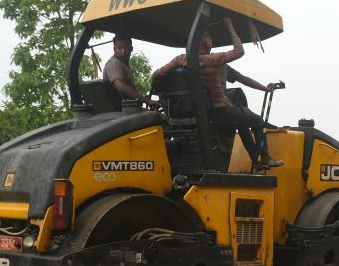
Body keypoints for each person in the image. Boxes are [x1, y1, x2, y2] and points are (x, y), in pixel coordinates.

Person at [153, 18, 282, 169]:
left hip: (202, 111)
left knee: (241, 120)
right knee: (258, 121)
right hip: (221, 109)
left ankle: (256, 159)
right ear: (206, 43)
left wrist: (161, 93)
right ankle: (264, 158)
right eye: (210, 39)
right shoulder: (213, 60)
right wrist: (229, 26)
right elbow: (239, 51)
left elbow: (156, 75)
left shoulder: (180, 59)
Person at [102, 33, 160, 108]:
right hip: (121, 109)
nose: (123, 51)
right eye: (119, 48)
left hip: (127, 107)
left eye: (126, 48)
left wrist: (143, 97)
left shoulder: (124, 64)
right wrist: (147, 100)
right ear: (114, 49)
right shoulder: (114, 63)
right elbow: (121, 87)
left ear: (131, 49)